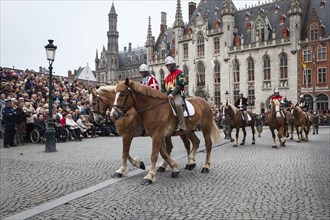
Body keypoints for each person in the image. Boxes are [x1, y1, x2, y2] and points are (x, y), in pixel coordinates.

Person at [161, 56, 187, 131]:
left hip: (178, 94)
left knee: (178, 104)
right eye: (166, 65)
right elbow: (163, 88)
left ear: (173, 64)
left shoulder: (180, 73)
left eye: (168, 65)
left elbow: (179, 85)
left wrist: (172, 94)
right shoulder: (167, 77)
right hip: (168, 95)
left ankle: (182, 125)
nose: (167, 67)